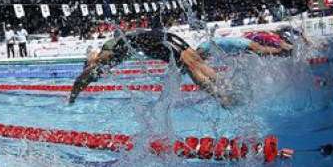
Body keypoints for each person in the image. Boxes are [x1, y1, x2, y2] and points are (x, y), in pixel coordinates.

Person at [67, 29, 234, 105]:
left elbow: (82, 79)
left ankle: (222, 96)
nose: (101, 74)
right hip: (161, 37)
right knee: (196, 62)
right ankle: (227, 87)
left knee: (191, 67)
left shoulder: (105, 54)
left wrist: (72, 98)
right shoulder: (117, 46)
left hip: (155, 40)